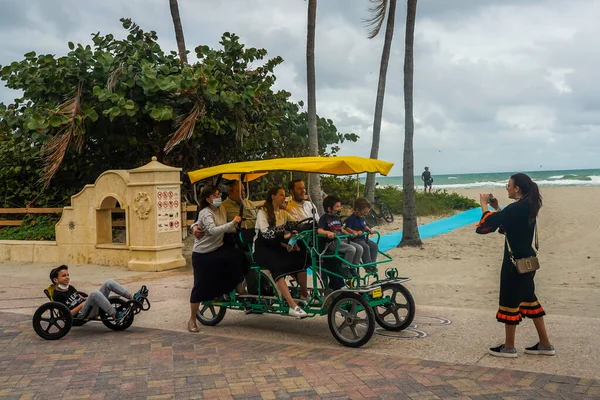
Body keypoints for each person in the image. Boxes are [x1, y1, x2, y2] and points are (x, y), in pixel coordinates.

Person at [476, 173, 554, 358]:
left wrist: (484, 204)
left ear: (517, 188)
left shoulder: (517, 208)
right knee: (530, 299)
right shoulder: (528, 207)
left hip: (514, 264)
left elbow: (485, 227)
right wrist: (498, 208)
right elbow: (507, 226)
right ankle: (545, 343)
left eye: (509, 185)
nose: (507, 188)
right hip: (528, 262)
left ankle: (509, 347)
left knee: (509, 300)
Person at [188, 185, 247, 332]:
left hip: (218, 248)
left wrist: (238, 227)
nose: (218, 198)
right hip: (203, 253)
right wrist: (233, 223)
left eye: (219, 195)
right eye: (214, 196)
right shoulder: (205, 213)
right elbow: (213, 231)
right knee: (200, 286)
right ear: (208, 199)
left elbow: (225, 226)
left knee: (237, 257)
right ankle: (192, 320)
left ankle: (238, 285)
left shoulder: (221, 209)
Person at [253, 186, 309, 318]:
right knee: (277, 266)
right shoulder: (263, 212)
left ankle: (304, 295)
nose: (284, 198)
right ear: (273, 196)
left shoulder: (283, 213)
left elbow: (297, 224)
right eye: (281, 195)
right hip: (262, 249)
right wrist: (286, 236)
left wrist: (304, 229)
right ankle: (292, 306)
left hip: (277, 247)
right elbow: (266, 234)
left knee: (302, 259)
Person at [50, 265, 146, 323]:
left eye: (68, 275)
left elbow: (79, 297)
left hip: (88, 306)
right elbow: (67, 314)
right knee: (94, 293)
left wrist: (85, 299)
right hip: (80, 315)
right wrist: (82, 304)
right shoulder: (57, 295)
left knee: (109, 282)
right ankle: (116, 316)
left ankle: (133, 297)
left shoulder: (69, 288)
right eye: (63, 276)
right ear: (55, 280)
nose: (67, 277)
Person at [318, 195, 363, 278]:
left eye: (340, 206)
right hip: (333, 242)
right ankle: (344, 268)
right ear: (329, 209)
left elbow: (341, 229)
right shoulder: (324, 218)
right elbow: (319, 230)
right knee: (351, 249)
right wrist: (328, 233)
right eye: (337, 207)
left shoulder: (337, 218)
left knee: (359, 248)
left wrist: (349, 233)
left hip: (343, 240)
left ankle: (353, 267)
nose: (339, 208)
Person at [344, 197, 378, 274]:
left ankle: (372, 264)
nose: (365, 214)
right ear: (357, 210)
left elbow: (364, 225)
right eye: (364, 212)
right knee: (365, 247)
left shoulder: (362, 217)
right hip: (356, 239)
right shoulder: (351, 218)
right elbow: (347, 228)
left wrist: (369, 229)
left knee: (374, 246)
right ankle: (368, 266)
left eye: (367, 213)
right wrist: (354, 232)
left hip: (363, 238)